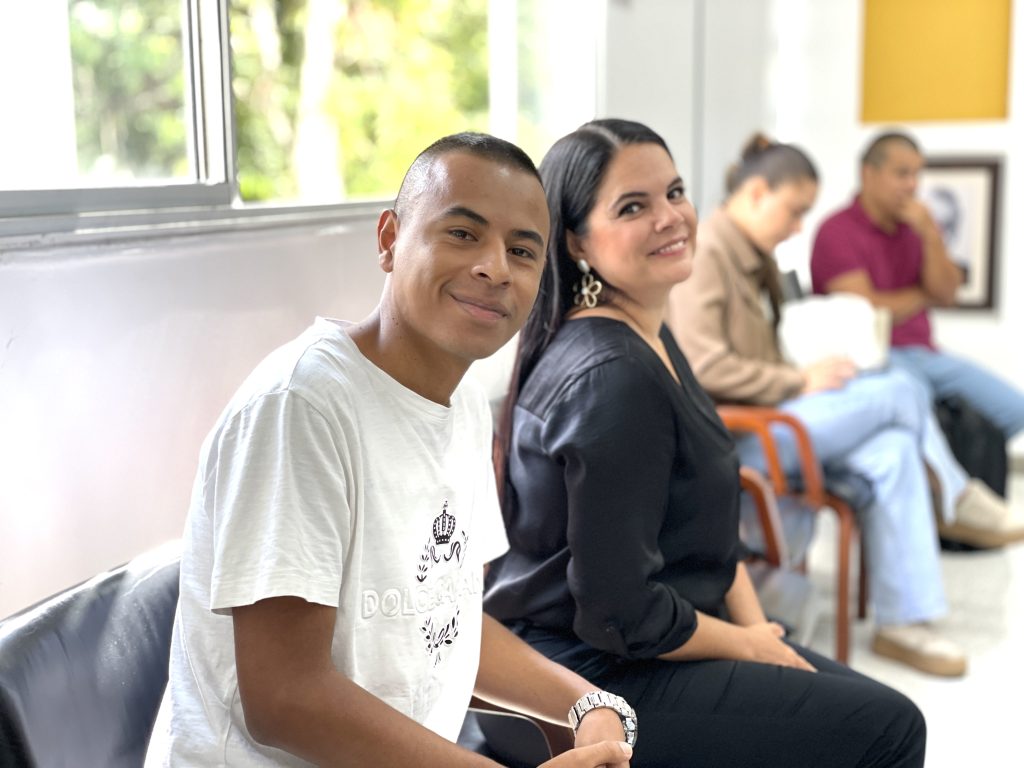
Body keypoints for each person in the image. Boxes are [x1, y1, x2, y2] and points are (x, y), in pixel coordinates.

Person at [145, 132, 636, 768]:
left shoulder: (463, 403)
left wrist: (587, 704)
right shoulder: (302, 407)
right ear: (389, 239)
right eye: (462, 233)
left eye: (522, 251)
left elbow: (443, 624)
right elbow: (284, 696)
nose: (494, 268)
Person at [484, 118, 926, 767]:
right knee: (890, 727)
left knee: (867, 706)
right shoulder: (613, 375)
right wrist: (749, 647)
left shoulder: (650, 335)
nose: (670, 217)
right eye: (633, 206)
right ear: (576, 240)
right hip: (587, 678)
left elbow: (715, 539)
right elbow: (620, 612)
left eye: (675, 192)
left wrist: (757, 630)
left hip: (654, 642)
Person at [666, 133, 1023, 679]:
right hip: (742, 436)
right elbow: (704, 365)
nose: (798, 228)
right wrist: (798, 379)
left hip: (777, 418)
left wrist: (811, 372)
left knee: (895, 448)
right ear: (757, 193)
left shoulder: (755, 258)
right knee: (900, 389)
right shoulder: (708, 251)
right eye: (794, 211)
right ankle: (954, 496)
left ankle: (904, 623)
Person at [810, 129, 1024, 545]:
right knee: (911, 399)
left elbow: (947, 293)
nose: (911, 185)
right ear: (868, 174)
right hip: (872, 356)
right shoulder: (836, 231)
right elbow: (869, 313)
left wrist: (930, 234)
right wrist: (923, 294)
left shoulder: (915, 230)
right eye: (901, 173)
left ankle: (954, 499)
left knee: (1014, 408)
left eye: (916, 175)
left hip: (925, 353)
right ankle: (953, 501)